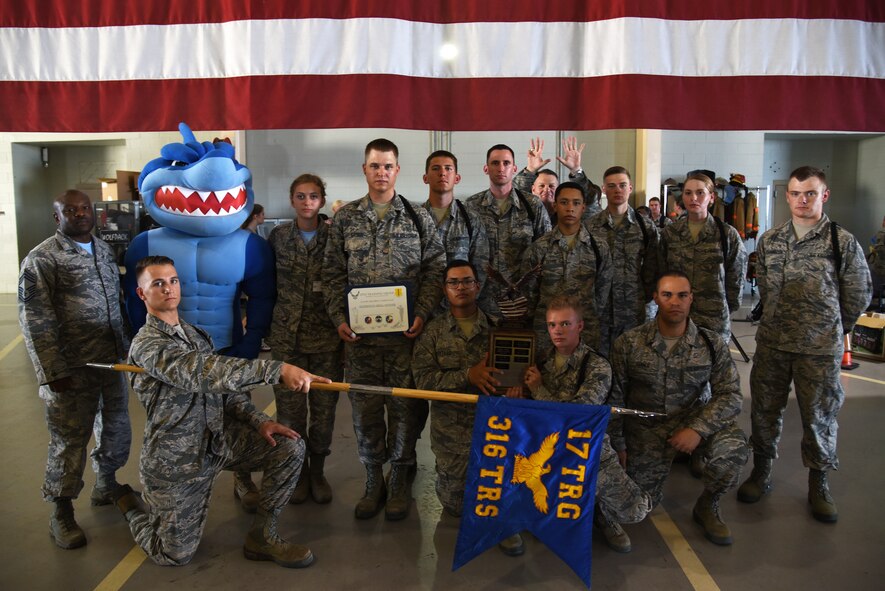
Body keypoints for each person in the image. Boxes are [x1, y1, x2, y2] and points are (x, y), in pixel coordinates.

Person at [113, 255, 330, 568]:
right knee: (174, 554)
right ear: (142, 293)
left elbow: (225, 393)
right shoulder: (147, 344)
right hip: (178, 460)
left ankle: (262, 536)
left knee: (289, 446)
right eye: (157, 283)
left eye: (173, 281)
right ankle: (131, 507)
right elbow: (199, 371)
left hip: (217, 441)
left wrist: (260, 422)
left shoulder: (195, 335)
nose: (169, 289)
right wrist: (276, 369)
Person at [738, 166, 872, 523]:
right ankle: (762, 471)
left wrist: (833, 327)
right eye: (796, 193)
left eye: (810, 193)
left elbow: (859, 292)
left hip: (819, 348)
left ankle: (819, 481)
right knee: (765, 410)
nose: (802, 200)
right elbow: (765, 288)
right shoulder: (770, 240)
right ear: (787, 196)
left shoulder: (840, 241)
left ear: (824, 195)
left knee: (819, 418)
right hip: (773, 345)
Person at [323, 138, 446, 521]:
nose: (381, 173)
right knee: (366, 411)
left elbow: (436, 268)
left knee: (406, 410)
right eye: (375, 166)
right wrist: (339, 319)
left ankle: (400, 477)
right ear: (365, 170)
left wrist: (423, 314)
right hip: (360, 341)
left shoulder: (416, 216)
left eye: (388, 166)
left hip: (405, 339)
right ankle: (373, 477)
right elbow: (330, 274)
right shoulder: (345, 219)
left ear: (397, 169)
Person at [18, 189, 132, 550]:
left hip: (111, 361)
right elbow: (35, 320)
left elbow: (116, 304)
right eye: (71, 210)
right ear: (58, 217)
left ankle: (106, 483)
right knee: (69, 440)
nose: (80, 214)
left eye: (85, 209)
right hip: (71, 368)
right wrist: (52, 372)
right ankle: (61, 510)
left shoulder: (103, 250)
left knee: (115, 428)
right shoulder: (42, 259)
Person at [609, 272, 749, 547]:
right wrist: (619, 445)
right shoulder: (629, 343)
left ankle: (708, 505)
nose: (675, 302)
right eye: (667, 295)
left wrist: (697, 430)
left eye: (682, 295)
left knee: (732, 452)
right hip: (647, 429)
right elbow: (615, 399)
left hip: (693, 420)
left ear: (691, 299)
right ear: (656, 299)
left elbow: (730, 394)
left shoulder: (711, 343)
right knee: (634, 508)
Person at [513, 295, 653, 554]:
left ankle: (599, 509)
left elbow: (576, 416)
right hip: (546, 452)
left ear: (580, 326)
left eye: (565, 324)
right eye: (552, 325)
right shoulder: (539, 361)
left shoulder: (597, 366)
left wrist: (538, 389)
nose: (557, 331)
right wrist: (519, 392)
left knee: (636, 510)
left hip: (586, 450)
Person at [410, 262, 507, 531]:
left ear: (478, 286)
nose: (461, 287)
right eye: (453, 282)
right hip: (450, 437)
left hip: (493, 432)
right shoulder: (432, 333)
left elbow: (515, 378)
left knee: (497, 499)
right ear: (444, 289)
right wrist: (468, 376)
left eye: (467, 281)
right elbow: (423, 381)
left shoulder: (500, 329)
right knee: (455, 507)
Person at [267, 174, 342, 504]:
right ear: (292, 200)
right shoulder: (278, 237)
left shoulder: (334, 236)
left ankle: (317, 471)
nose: (307, 202)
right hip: (287, 339)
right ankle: (295, 473)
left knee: (323, 412)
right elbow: (267, 284)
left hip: (326, 338)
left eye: (313, 196)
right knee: (290, 412)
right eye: (301, 196)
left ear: (322, 201)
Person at [522, 182, 612, 353]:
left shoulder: (599, 248)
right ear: (555, 206)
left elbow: (602, 293)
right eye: (564, 202)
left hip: (585, 330)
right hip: (547, 333)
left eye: (576, 203)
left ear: (584, 207)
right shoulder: (539, 248)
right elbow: (530, 294)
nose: (570, 208)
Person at [465, 144, 551, 317]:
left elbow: (546, 251)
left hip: (522, 300)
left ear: (514, 168)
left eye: (506, 163)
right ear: (486, 168)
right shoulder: (471, 206)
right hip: (482, 300)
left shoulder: (532, 206)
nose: (501, 168)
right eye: (495, 163)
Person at [660, 173, 748, 343]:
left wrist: (724, 307)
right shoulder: (669, 234)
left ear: (711, 197)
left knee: (714, 366)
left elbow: (736, 278)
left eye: (700, 193)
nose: (694, 198)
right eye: (688, 193)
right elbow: (662, 272)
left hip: (713, 320)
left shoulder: (727, 234)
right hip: (676, 317)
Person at [586, 166, 660, 353]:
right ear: (603, 189)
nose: (617, 190)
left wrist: (644, 299)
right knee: (600, 363)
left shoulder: (645, 227)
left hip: (633, 312)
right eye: (611, 186)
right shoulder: (590, 227)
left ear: (630, 188)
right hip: (600, 312)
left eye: (622, 185)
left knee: (633, 365)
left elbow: (652, 269)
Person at [421, 150, 490, 312]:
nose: (442, 173)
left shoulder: (470, 219)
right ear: (425, 178)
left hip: (461, 308)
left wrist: (467, 302)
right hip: (424, 310)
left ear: (457, 178)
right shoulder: (414, 218)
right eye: (436, 168)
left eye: (448, 168)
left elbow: (481, 266)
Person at [513, 136, 602, 220]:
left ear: (558, 190)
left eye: (551, 186)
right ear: (533, 189)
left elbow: (591, 204)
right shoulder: (524, 212)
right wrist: (530, 171)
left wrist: (576, 171)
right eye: (541, 186)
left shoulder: (569, 214)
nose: (547, 189)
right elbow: (512, 195)